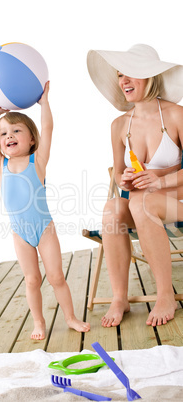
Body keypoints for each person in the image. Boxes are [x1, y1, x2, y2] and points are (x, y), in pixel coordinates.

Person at [0, 82, 90, 340]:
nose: (8, 136)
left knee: (56, 277)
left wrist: (45, 103)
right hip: (20, 233)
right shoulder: (0, 164)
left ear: (31, 138)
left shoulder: (37, 161)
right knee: (32, 280)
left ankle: (71, 318)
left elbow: (49, 128)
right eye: (4, 133)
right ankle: (38, 323)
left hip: (44, 229)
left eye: (16, 130)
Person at [87, 44, 183, 327]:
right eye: (120, 75)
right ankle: (120, 298)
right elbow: (118, 173)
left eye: (130, 74)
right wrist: (124, 179)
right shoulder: (119, 125)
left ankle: (164, 294)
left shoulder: (177, 115)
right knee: (113, 208)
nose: (123, 81)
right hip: (142, 206)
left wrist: (160, 179)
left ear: (150, 76)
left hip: (176, 203)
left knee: (141, 202)